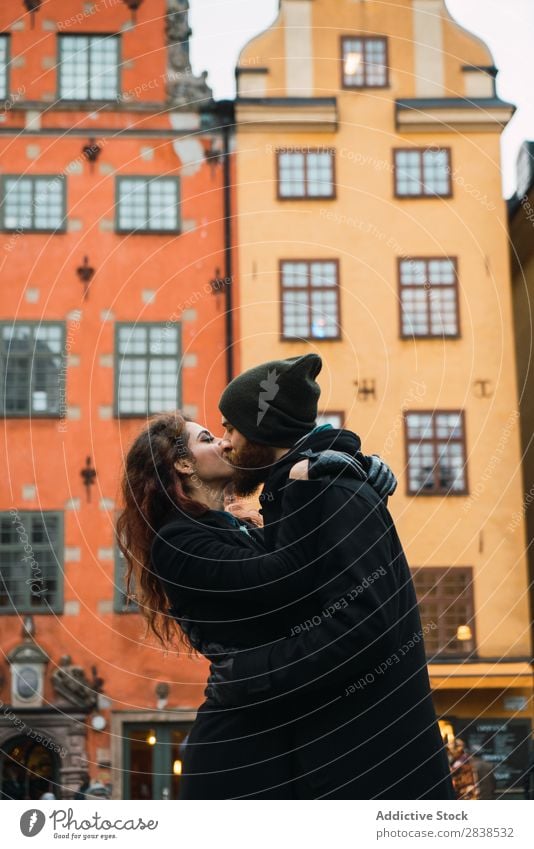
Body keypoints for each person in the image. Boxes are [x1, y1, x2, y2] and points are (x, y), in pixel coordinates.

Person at [196, 353, 455, 799]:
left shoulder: (330, 491)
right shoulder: (302, 490)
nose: (225, 442)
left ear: (264, 430)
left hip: (371, 775)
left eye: (230, 428)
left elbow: (364, 626)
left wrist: (250, 673)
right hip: (346, 766)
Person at [118, 407, 395, 799]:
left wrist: (356, 470)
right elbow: (286, 575)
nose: (224, 442)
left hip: (280, 733)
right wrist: (309, 476)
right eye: (207, 439)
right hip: (237, 750)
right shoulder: (178, 542)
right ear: (182, 463)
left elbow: (308, 556)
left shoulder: (239, 529)